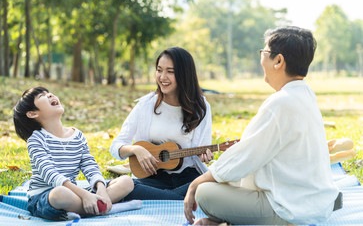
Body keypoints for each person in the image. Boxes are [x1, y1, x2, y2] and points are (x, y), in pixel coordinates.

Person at [184, 26, 340, 225]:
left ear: (278, 61)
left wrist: (197, 182)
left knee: (205, 192)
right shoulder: (305, 94)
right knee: (226, 181)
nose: (261, 59)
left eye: (264, 52)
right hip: (315, 205)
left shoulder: (281, 103)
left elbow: (245, 156)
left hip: (290, 211)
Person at [13, 87, 134, 221]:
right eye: (42, 95)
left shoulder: (77, 135)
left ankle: (91, 205)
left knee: (127, 182)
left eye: (49, 93)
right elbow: (51, 175)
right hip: (46, 197)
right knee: (59, 194)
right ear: (32, 113)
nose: (50, 95)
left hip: (74, 194)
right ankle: (98, 207)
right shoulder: (36, 140)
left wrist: (101, 189)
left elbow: (89, 166)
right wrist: (85, 195)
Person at [110, 47, 213, 200]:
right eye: (159, 70)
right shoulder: (145, 105)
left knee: (208, 188)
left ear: (185, 74)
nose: (162, 77)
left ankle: (164, 197)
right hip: (153, 178)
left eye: (170, 72)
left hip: (187, 178)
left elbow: (202, 149)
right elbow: (116, 146)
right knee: (129, 185)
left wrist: (204, 155)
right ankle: (176, 198)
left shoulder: (201, 107)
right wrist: (136, 149)